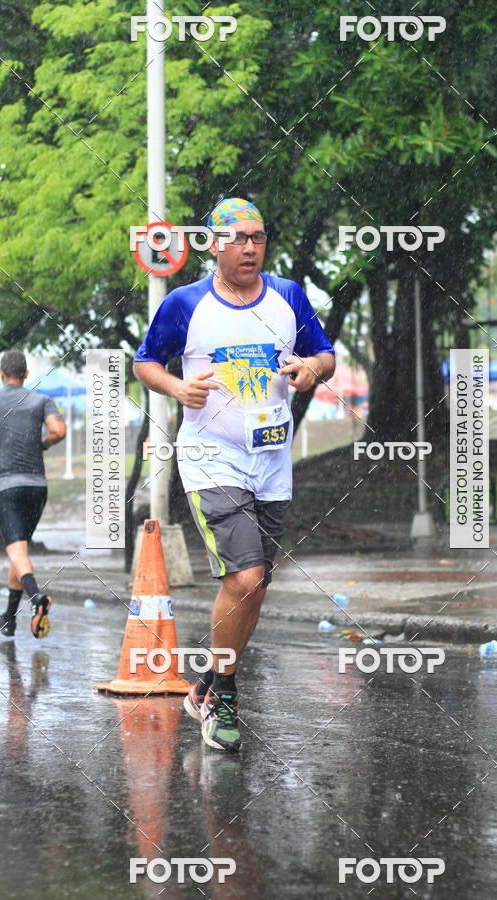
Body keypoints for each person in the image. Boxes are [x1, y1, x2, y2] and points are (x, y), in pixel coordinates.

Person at [134, 197, 335, 751]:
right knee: (243, 577)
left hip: (271, 460)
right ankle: (223, 692)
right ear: (215, 244)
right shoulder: (186, 303)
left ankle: (205, 681)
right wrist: (176, 387)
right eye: (239, 238)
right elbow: (145, 360)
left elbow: (326, 356)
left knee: (256, 585)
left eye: (259, 237)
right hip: (210, 456)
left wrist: (309, 369)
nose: (250, 247)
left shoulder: (290, 297)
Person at [0, 350, 66, 638]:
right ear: (26, 375)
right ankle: (9, 618)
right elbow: (58, 430)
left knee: (16, 550)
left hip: (7, 487)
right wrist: (42, 445)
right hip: (37, 487)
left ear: (1, 374)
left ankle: (37, 598)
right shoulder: (40, 400)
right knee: (18, 550)